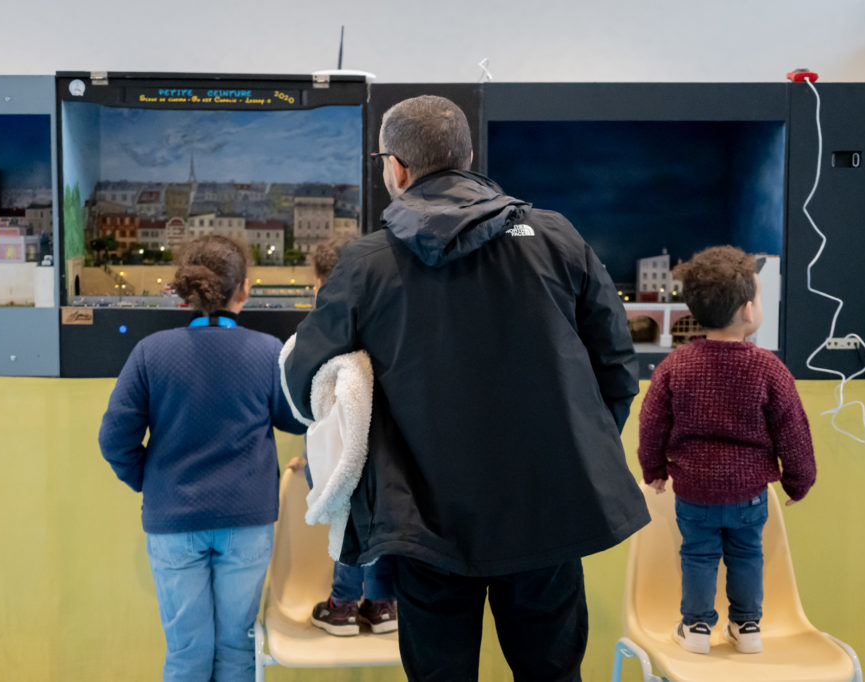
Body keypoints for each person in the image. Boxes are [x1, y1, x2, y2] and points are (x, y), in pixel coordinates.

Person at [281, 95, 650, 681]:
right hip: (547, 511)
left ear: (396, 167)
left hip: (426, 523)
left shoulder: (366, 264)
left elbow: (303, 382)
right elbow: (615, 366)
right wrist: (573, 452)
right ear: (469, 157)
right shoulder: (556, 238)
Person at [98, 235, 307, 682]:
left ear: (183, 291)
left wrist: (150, 481)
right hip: (247, 522)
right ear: (244, 289)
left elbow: (114, 439)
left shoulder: (150, 353)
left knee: (186, 652)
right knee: (237, 647)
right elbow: (295, 420)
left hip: (172, 521)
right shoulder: (267, 352)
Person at [637, 245, 817, 656]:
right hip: (750, 493)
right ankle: (747, 626)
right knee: (747, 554)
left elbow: (651, 426)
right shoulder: (769, 368)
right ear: (749, 310)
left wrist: (655, 470)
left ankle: (697, 628)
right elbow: (794, 433)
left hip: (694, 491)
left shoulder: (674, 367)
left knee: (698, 555)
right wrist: (798, 482)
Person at [287, 236, 398, 637]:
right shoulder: (387, 325)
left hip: (344, 453)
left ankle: (343, 606)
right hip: (389, 453)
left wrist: (313, 459)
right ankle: (383, 604)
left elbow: (308, 408)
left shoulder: (320, 334)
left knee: (350, 529)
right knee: (383, 527)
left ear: (321, 284)